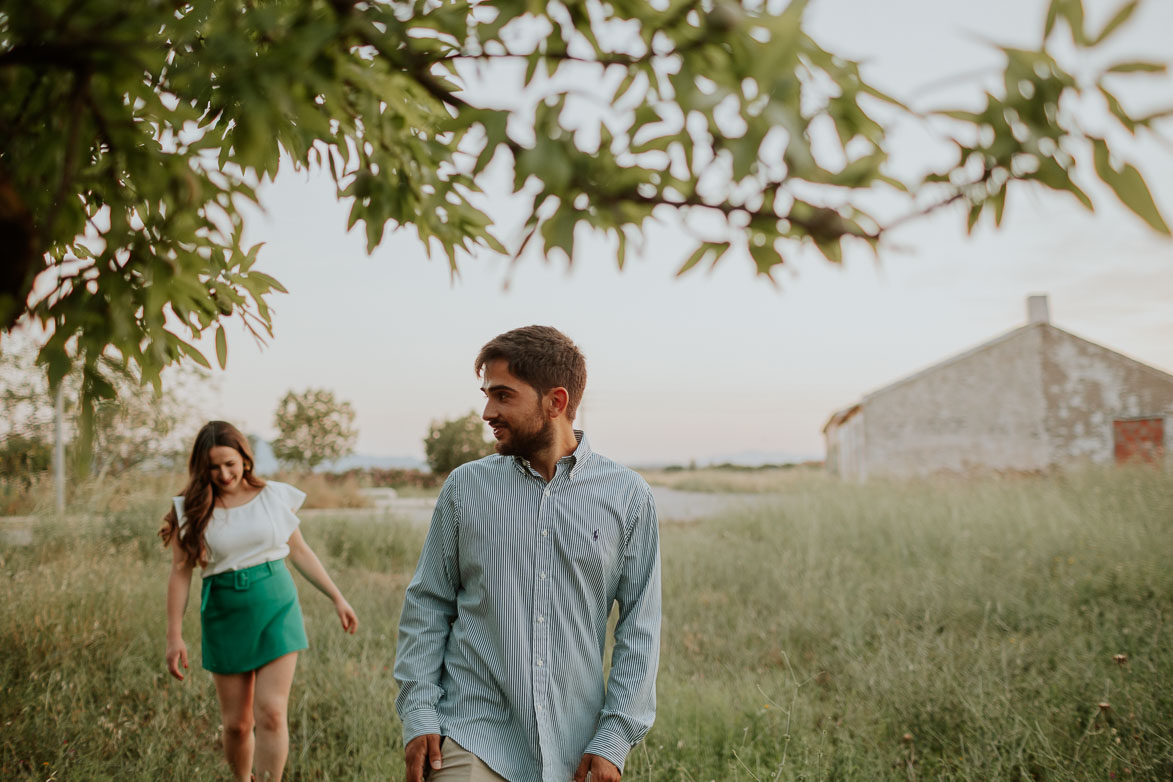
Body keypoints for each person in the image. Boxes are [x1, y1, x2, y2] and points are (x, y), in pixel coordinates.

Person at [395, 326, 661, 782]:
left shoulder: (628, 497)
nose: (487, 412)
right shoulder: (465, 488)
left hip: (575, 746)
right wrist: (419, 713)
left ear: (555, 402)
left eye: (503, 396)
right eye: (487, 395)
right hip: (471, 735)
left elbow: (640, 625)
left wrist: (614, 738)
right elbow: (428, 603)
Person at [161, 420, 358, 782]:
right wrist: (175, 635)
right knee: (237, 724)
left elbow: (298, 551)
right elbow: (179, 572)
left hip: (276, 606)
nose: (223, 474)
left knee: (271, 712)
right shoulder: (191, 509)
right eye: (214, 467)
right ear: (202, 468)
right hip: (224, 613)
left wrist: (337, 597)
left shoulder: (273, 496)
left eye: (230, 464)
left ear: (245, 459)